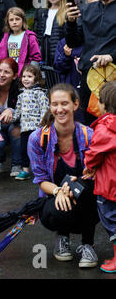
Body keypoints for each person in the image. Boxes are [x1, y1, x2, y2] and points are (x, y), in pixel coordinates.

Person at [27, 83, 99, 268]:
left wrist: (82, 182)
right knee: (59, 209)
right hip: (54, 198)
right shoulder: (37, 139)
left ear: (75, 104)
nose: (59, 109)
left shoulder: (89, 136)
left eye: (64, 103)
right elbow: (41, 179)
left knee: (90, 192)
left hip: (84, 195)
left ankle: (87, 244)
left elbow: (99, 173)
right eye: (55, 104)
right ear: (50, 106)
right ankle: (62, 236)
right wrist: (59, 190)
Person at [65, 0, 116, 126]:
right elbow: (74, 42)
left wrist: (111, 56)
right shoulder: (88, 9)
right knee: (92, 125)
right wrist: (71, 22)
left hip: (113, 78)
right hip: (89, 79)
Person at [82, 81, 116, 273]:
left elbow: (94, 154)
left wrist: (88, 166)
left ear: (103, 105)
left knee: (111, 221)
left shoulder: (104, 129)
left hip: (109, 186)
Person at [12, 64, 49, 180]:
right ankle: (25, 170)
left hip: (37, 128)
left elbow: (45, 109)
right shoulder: (21, 95)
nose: (26, 79)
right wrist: (12, 119)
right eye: (24, 76)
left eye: (29, 76)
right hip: (24, 128)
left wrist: (43, 124)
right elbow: (18, 110)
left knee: (39, 149)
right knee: (24, 150)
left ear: (36, 79)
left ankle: (43, 169)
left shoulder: (40, 93)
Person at [0, 58, 23, 177]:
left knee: (15, 130)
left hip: (14, 125)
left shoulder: (20, 90)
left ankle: (17, 164)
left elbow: (26, 112)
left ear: (14, 76)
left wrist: (12, 110)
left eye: (6, 72)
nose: (1, 75)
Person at [0, 7, 42, 76]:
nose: (14, 22)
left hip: (24, 74)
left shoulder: (30, 37)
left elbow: (35, 58)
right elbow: (1, 57)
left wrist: (30, 74)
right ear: (8, 22)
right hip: (8, 74)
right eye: (11, 20)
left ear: (23, 21)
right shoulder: (6, 37)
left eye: (17, 19)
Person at [33, 0, 68, 67]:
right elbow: (38, 32)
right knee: (44, 69)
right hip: (45, 43)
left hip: (58, 43)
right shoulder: (43, 11)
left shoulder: (65, 12)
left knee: (56, 68)